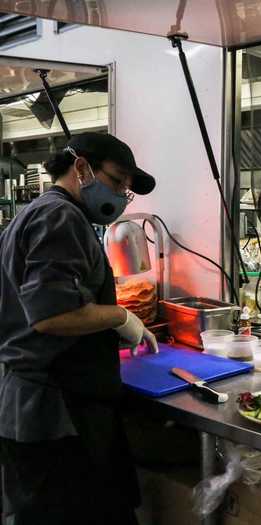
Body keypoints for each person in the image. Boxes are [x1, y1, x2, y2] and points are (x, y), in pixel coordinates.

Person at [0, 132, 158, 524]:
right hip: (53, 409)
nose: (122, 194)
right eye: (118, 180)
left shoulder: (40, 213)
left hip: (43, 399)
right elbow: (51, 315)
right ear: (82, 168)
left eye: (127, 189)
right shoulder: (60, 216)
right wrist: (121, 317)